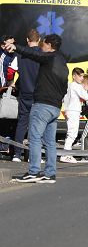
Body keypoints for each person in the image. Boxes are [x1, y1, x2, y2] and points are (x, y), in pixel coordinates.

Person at [8, 34, 68, 183]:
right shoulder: (63, 62)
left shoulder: (49, 57)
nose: (41, 46)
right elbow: (65, 88)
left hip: (42, 105)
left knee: (34, 138)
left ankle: (33, 172)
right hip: (55, 107)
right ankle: (49, 174)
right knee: (50, 142)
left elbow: (33, 53)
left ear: (48, 45)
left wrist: (17, 48)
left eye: (43, 44)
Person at [59, 67, 88, 162]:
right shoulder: (76, 86)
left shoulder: (70, 85)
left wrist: (65, 111)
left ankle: (66, 154)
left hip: (70, 110)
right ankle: (65, 155)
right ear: (74, 76)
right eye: (80, 76)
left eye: (83, 76)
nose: (82, 78)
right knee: (72, 134)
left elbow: (65, 98)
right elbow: (85, 96)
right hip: (73, 111)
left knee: (71, 133)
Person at [10, 29, 40, 163]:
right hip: (38, 95)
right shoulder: (43, 55)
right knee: (36, 125)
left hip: (24, 93)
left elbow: (11, 71)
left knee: (22, 123)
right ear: (39, 40)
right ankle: (33, 156)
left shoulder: (20, 55)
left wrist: (12, 82)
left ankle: (17, 154)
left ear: (27, 40)